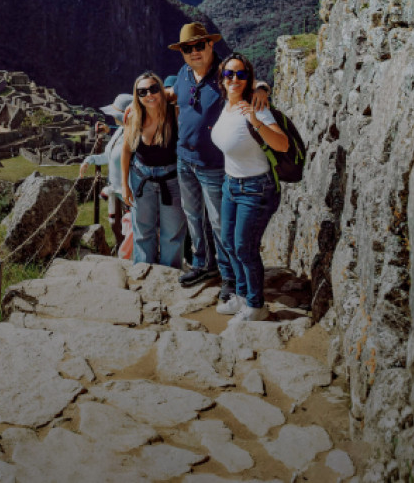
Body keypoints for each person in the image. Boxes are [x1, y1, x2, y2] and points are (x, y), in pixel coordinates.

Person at [166, 23, 269, 302]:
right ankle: (202, 264)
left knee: (220, 223)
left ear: (210, 45)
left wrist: (262, 87)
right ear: (183, 53)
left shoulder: (223, 75)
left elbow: (246, 79)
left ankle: (230, 278)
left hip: (212, 165)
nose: (194, 52)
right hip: (184, 159)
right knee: (194, 216)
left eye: (200, 45)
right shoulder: (183, 74)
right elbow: (173, 92)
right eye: (188, 48)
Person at [211, 53, 289, 322]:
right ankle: (242, 296)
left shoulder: (257, 108)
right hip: (231, 184)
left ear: (248, 78)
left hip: (256, 188)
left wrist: (256, 120)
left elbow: (282, 144)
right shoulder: (227, 105)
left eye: (241, 74)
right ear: (221, 78)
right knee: (230, 243)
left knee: (245, 247)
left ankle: (256, 305)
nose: (234, 79)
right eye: (229, 74)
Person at [121, 72, 186, 268]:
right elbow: (125, 151)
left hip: (171, 179)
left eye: (153, 89)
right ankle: (143, 271)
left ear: (161, 90)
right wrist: (124, 186)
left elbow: (185, 90)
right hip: (142, 179)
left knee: (172, 232)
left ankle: (168, 275)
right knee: (143, 230)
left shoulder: (174, 114)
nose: (149, 95)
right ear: (137, 96)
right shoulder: (133, 118)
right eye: (142, 92)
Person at [79, 94, 132, 252]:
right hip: (114, 188)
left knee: (130, 225)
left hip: (128, 190)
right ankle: (121, 248)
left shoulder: (134, 136)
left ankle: (131, 256)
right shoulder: (120, 131)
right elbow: (109, 156)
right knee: (115, 224)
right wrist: (89, 160)